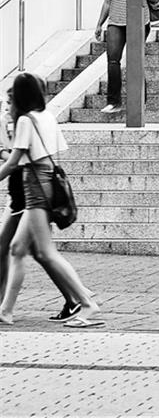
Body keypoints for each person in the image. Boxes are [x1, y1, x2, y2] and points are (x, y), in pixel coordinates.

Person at [0, 73, 101, 327]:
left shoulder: (25, 120)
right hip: (46, 181)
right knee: (17, 249)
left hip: (34, 186)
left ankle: (86, 303)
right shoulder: (45, 116)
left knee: (46, 252)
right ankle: (6, 310)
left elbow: (14, 161)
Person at [92, 0, 159, 114]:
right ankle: (114, 102)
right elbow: (108, 2)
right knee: (113, 60)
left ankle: (140, 101)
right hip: (116, 22)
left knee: (135, 60)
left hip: (138, 21)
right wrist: (99, 24)